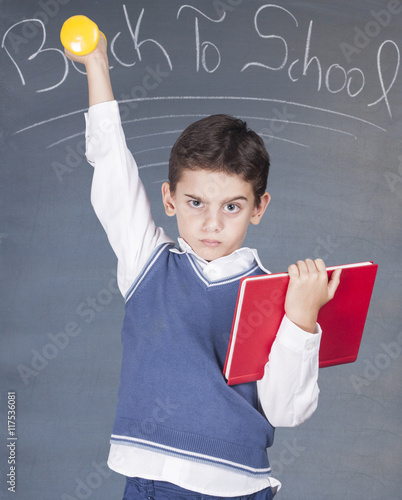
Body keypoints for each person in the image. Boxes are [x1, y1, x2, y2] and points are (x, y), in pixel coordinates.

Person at [64, 33, 341, 500]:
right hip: (146, 481)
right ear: (169, 199)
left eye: (232, 207)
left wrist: (301, 320)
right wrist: (95, 64)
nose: (212, 223)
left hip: (231, 489)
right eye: (195, 202)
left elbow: (285, 410)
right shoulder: (147, 262)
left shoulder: (277, 295)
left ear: (259, 207)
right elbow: (111, 165)